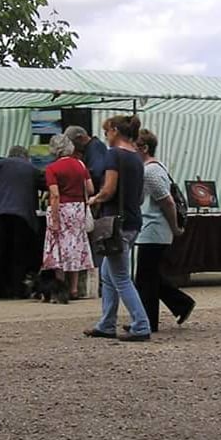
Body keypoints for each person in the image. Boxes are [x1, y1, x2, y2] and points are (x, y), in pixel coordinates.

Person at [84, 114, 151, 341]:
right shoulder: (137, 158)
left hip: (115, 223)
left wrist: (95, 199)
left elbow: (109, 189)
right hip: (133, 221)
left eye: (106, 132)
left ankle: (141, 325)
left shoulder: (113, 155)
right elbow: (140, 195)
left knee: (121, 276)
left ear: (114, 130)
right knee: (108, 274)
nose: (106, 137)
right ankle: (106, 323)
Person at [134, 128, 195, 331]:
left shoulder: (150, 171)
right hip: (153, 230)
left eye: (134, 145)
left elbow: (167, 202)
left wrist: (175, 227)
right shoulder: (156, 168)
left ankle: (149, 321)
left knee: (145, 278)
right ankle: (181, 304)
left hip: (154, 230)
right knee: (150, 276)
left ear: (144, 148)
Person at [0, 145, 41, 300]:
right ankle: (16, 291)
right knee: (19, 254)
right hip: (23, 216)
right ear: (25, 156)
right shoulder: (32, 168)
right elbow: (43, 186)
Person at [42, 133, 95, 300]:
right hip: (78, 209)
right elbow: (91, 189)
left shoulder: (52, 169)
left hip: (61, 209)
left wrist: (55, 220)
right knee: (76, 246)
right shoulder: (80, 164)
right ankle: (74, 289)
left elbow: (55, 195)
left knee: (59, 247)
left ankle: (61, 287)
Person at [65, 125, 107, 192]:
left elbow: (96, 173)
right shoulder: (90, 148)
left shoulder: (95, 147)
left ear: (80, 138)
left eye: (72, 142)